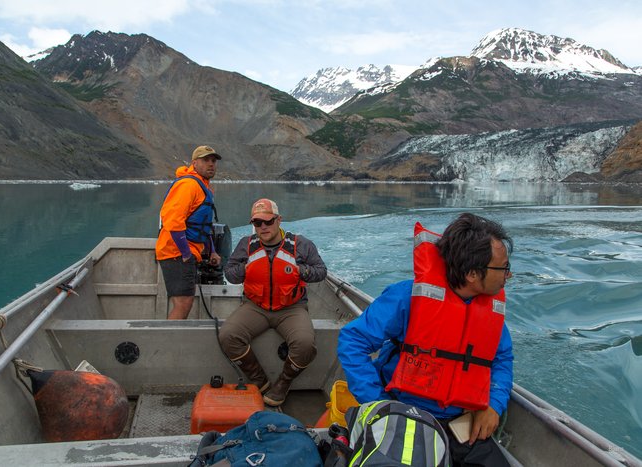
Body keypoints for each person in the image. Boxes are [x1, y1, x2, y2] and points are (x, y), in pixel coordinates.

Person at [337, 213, 514, 467]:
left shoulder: (490, 311)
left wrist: (494, 404)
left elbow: (502, 359)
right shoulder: (406, 298)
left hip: (460, 423)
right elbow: (353, 341)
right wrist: (377, 402)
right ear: (473, 274)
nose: (508, 275)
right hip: (403, 413)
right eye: (503, 268)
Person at [219, 198, 327, 406]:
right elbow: (230, 274)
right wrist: (245, 269)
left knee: (305, 345)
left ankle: (283, 383)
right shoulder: (246, 245)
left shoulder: (301, 244)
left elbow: (321, 272)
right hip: (254, 306)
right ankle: (260, 381)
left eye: (268, 222)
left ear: (279, 220)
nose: (263, 227)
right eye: (257, 223)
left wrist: (301, 270)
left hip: (291, 308)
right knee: (228, 335)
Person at [156, 145, 222, 319]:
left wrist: (212, 250)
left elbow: (203, 224)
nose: (211, 164)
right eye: (205, 160)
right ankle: (167, 344)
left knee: (184, 302)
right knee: (183, 304)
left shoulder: (204, 187)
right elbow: (173, 221)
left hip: (188, 252)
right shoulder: (188, 185)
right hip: (176, 253)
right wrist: (186, 253)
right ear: (194, 163)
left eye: (213, 161)